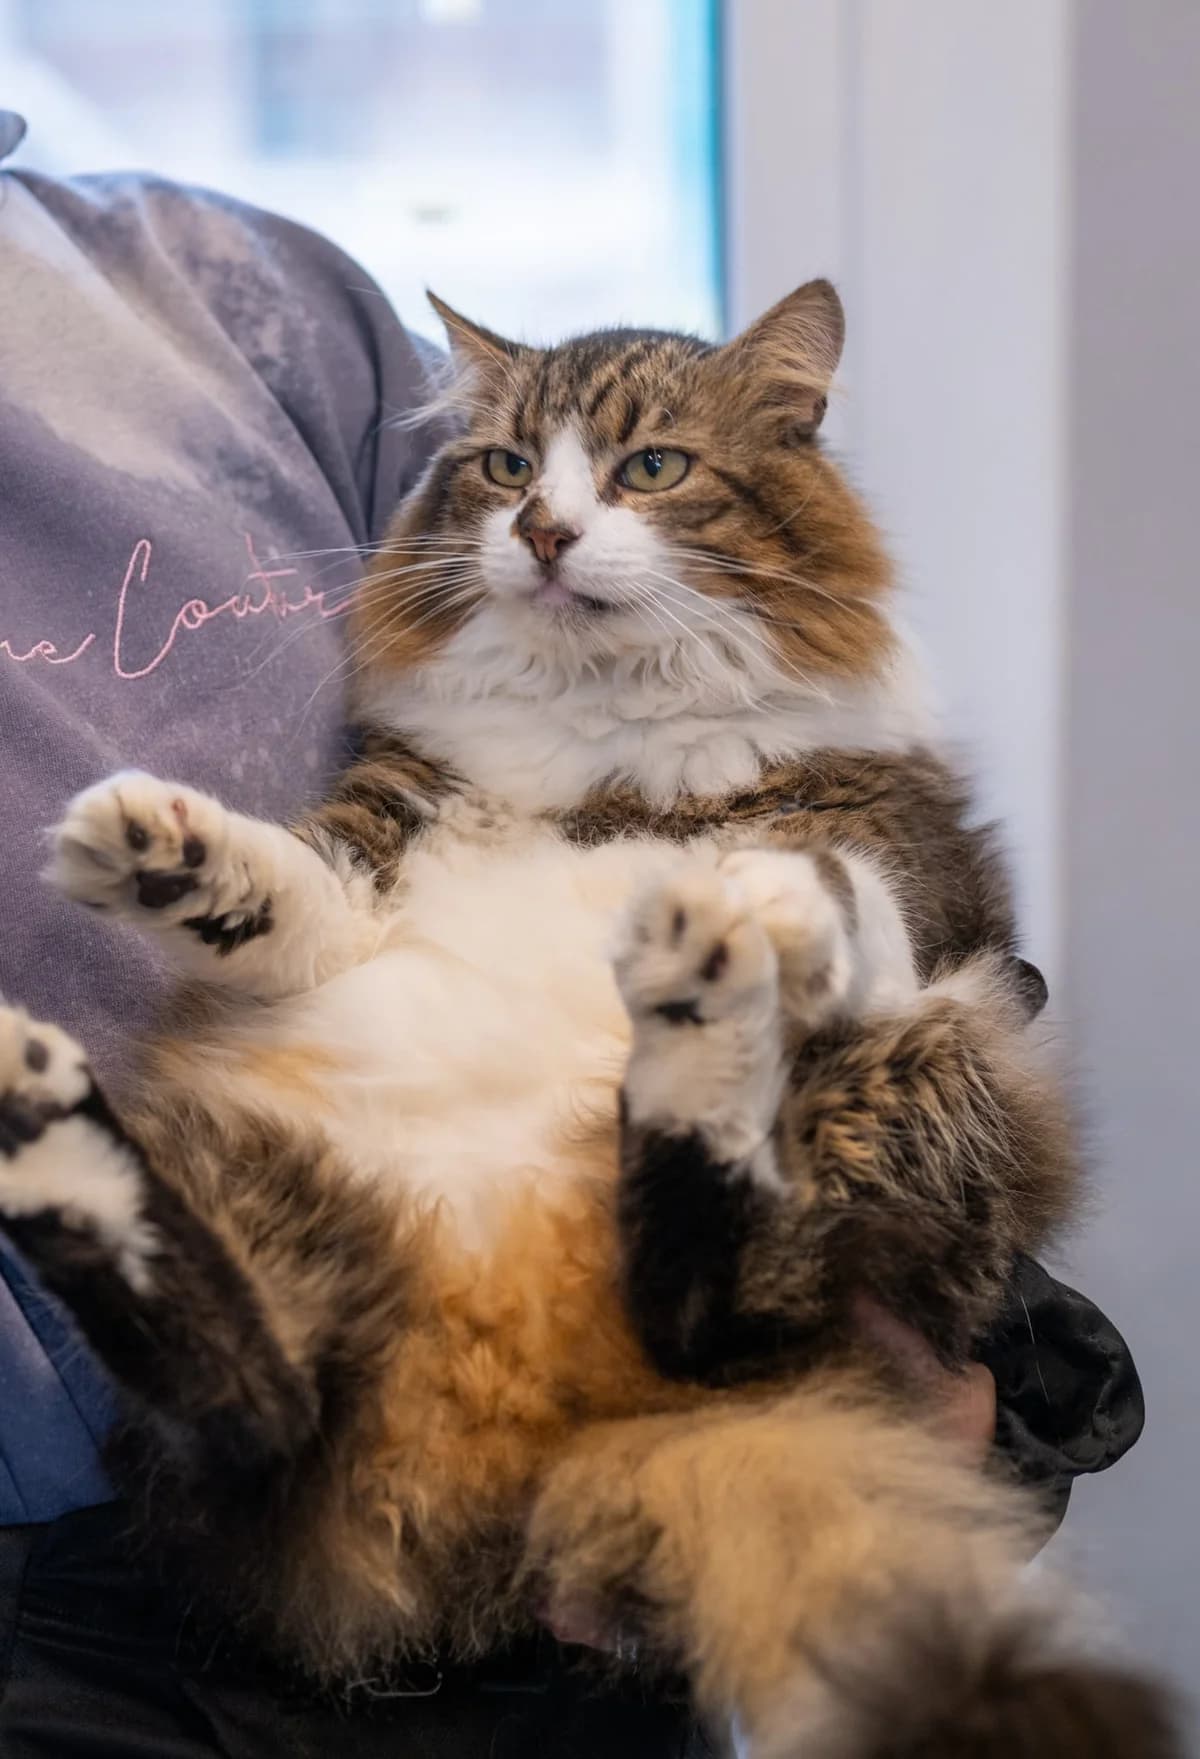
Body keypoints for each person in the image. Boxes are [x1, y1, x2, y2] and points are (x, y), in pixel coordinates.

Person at [0, 109, 1145, 1758]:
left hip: (565, 1519)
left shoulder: (238, 292)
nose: (545, 517)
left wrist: (954, 1343)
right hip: (156, 1543)